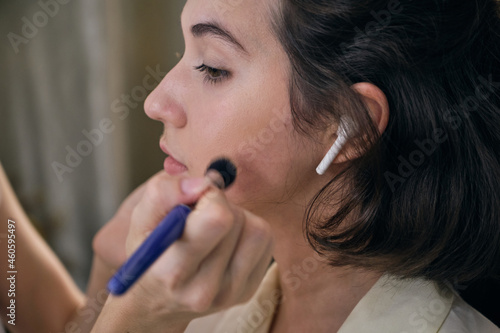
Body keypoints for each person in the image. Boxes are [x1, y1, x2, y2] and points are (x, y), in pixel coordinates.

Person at [88, 0, 500, 332]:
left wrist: (136, 319)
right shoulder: (201, 308)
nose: (155, 102)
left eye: (212, 68)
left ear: (347, 124)